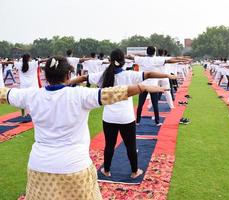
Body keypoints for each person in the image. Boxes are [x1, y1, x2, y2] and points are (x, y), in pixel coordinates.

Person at [0, 56, 165, 200]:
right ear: (68, 75)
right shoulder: (79, 95)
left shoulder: (31, 95)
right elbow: (113, 93)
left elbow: (4, 94)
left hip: (39, 168)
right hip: (74, 168)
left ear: (46, 76)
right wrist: (142, 87)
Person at [71, 49, 176, 178]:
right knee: (130, 146)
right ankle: (134, 171)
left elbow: (83, 77)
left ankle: (107, 170)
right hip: (126, 118)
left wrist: (65, 83)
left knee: (109, 145)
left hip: (109, 118)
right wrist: (167, 76)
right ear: (123, 61)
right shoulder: (129, 75)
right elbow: (149, 74)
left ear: (110, 61)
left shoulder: (103, 75)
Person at [127, 46, 187, 126]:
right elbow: (170, 60)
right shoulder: (156, 59)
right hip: (153, 86)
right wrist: (180, 59)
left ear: (146, 52)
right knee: (155, 104)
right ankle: (157, 122)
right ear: (154, 52)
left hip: (143, 85)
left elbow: (130, 56)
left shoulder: (141, 59)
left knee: (140, 104)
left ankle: (137, 121)